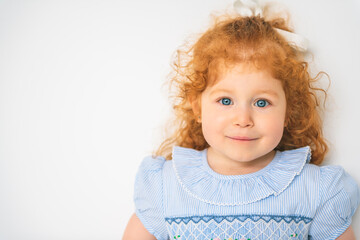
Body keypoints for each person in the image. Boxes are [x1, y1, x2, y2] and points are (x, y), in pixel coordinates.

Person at [123, 0, 360, 239]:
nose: (243, 119)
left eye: (261, 103)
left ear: (289, 112)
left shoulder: (316, 190)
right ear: (198, 108)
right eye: (225, 101)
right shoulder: (165, 187)